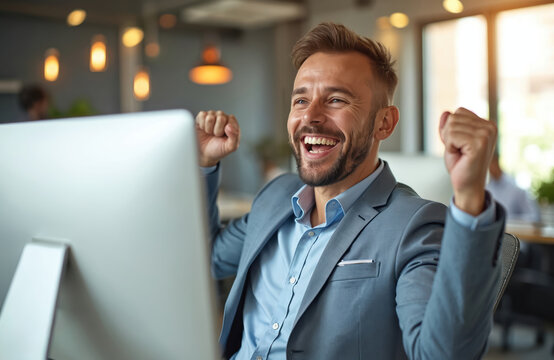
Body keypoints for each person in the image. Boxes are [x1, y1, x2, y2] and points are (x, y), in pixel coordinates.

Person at [196, 23, 505, 359]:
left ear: (383, 123)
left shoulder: (415, 225)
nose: (311, 116)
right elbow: (206, 258)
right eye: (301, 100)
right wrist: (202, 166)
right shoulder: (275, 196)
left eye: (336, 99)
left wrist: (471, 196)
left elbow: (443, 354)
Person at [487, 153, 540, 223]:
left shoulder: (516, 187)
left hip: (517, 232)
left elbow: (534, 216)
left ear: (495, 162)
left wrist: (510, 219)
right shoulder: (487, 189)